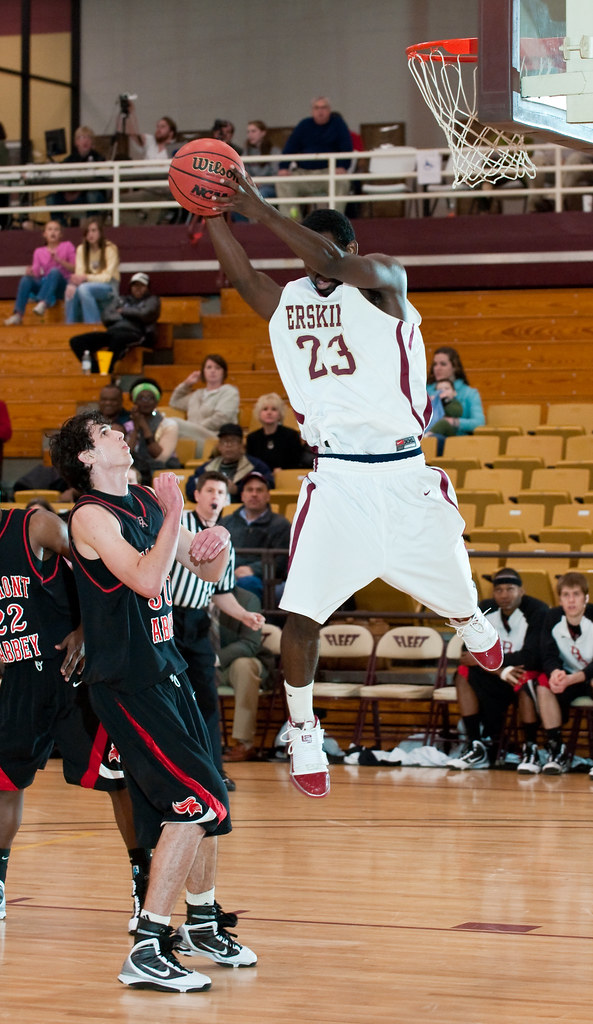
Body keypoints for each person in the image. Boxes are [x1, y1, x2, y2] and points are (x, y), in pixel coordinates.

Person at [205, 169, 502, 799]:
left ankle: (470, 617)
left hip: (402, 471)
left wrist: (256, 208)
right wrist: (211, 216)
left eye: (317, 255)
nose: (308, 269)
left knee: (452, 589)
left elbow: (330, 259)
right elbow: (245, 280)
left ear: (344, 251)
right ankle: (305, 727)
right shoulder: (293, 299)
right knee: (303, 611)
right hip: (336, 476)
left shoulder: (383, 281)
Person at [49, 412, 256, 992]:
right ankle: (148, 946)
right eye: (106, 434)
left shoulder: (144, 497)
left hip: (168, 670)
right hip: (128, 682)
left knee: (210, 800)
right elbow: (144, 577)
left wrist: (212, 544)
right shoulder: (90, 516)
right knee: (194, 802)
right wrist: (172, 518)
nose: (121, 435)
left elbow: (204, 567)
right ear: (88, 458)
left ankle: (204, 922)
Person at [0, 463, 147, 928]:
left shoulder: (34, 523)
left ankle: (145, 887)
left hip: (71, 672)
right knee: (4, 778)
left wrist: (86, 627)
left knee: (114, 779)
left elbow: (93, 563)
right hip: (20, 678)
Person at [171, 471, 265, 790]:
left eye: (221, 491)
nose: (215, 495)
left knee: (207, 697)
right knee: (163, 695)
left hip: (196, 622)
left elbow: (221, 593)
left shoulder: (226, 543)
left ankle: (214, 769)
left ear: (225, 500)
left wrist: (244, 616)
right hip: (164, 617)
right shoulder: (178, 523)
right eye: (209, 489)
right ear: (197, 495)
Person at [445, 568, 549, 773]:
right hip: (495, 675)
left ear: (521, 590)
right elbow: (468, 655)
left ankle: (530, 748)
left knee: (524, 677)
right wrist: (501, 671)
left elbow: (531, 656)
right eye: (499, 590)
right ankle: (476, 745)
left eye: (510, 589)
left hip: (523, 674)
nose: (504, 595)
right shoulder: (484, 609)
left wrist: (496, 664)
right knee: (463, 674)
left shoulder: (537, 610)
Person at [538, 571, 593, 776]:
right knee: (543, 685)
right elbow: (547, 653)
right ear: (559, 598)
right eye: (566, 594)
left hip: (586, 676)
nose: (571, 600)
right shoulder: (552, 617)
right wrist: (554, 673)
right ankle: (556, 751)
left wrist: (576, 677)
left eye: (576, 594)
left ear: (585, 597)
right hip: (568, 677)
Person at [218, 585, 272, 763]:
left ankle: (244, 743)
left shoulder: (247, 599)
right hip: (200, 664)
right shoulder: (188, 597)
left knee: (244, 666)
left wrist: (214, 658)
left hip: (233, 663)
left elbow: (250, 643)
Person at [274, 97, 353, 216]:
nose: (320, 111)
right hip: (304, 173)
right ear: (312, 111)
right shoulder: (304, 125)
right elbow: (290, 147)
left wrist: (342, 166)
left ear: (329, 110)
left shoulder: (338, 124)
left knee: (342, 181)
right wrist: (283, 167)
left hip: (328, 173)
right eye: (317, 108)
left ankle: (336, 221)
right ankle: (292, 222)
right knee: (283, 182)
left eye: (323, 107)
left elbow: (347, 148)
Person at [220, 470, 290, 603]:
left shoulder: (281, 524)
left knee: (247, 584)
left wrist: (253, 569)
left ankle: (251, 623)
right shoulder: (226, 522)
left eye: (259, 490)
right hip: (227, 574)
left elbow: (281, 561)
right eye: (249, 490)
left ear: (268, 496)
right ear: (242, 496)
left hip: (262, 579)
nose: (254, 494)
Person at [69, 271, 160, 371]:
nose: (137, 288)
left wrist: (123, 311)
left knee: (119, 339)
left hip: (136, 333)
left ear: (147, 288)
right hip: (113, 331)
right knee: (76, 341)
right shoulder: (121, 300)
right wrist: (131, 314)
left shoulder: (152, 300)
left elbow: (145, 314)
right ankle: (95, 368)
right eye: (135, 285)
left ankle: (107, 368)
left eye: (141, 285)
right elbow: (106, 316)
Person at [116, 104, 180, 224]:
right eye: (157, 126)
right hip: (147, 189)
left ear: (171, 132)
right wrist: (131, 112)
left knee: (153, 218)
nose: (158, 129)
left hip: (165, 192)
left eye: (163, 127)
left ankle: (143, 231)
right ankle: (138, 228)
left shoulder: (176, 149)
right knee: (118, 200)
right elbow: (133, 133)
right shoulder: (150, 142)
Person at [4, 220, 76, 325]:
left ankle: (43, 302)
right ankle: (18, 314)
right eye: (50, 229)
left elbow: (74, 268)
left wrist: (59, 260)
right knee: (25, 279)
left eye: (56, 230)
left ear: (60, 234)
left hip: (62, 285)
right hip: (47, 284)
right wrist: (31, 272)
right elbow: (37, 273)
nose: (53, 232)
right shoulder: (39, 251)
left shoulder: (67, 246)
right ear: (44, 234)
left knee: (54, 272)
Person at [169, 353, 240, 456]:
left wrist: (195, 427)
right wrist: (187, 384)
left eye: (217, 368)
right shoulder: (197, 394)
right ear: (203, 372)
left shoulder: (229, 391)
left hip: (214, 438)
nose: (213, 371)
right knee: (166, 424)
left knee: (173, 423)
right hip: (191, 437)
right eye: (209, 367)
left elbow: (222, 418)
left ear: (223, 372)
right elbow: (174, 402)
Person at [185, 423, 273, 502]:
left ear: (241, 445)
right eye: (224, 442)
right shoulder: (207, 467)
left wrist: (237, 490)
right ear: (219, 446)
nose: (228, 445)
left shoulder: (256, 466)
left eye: (233, 441)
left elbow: (269, 484)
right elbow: (190, 488)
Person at [46, 125, 108, 225]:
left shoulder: (99, 158)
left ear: (92, 141)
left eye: (88, 137)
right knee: (51, 198)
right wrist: (67, 193)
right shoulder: (69, 160)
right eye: (81, 137)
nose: (85, 141)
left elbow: (98, 181)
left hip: (88, 196)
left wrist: (77, 192)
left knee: (93, 195)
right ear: (76, 142)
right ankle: (62, 228)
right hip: (71, 195)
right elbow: (62, 177)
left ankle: (92, 227)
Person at [64, 217, 120, 325]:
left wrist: (86, 278)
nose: (90, 234)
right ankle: (70, 327)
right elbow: (79, 273)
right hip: (87, 285)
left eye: (94, 230)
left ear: (100, 232)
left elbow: (107, 277)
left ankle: (93, 325)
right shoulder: (81, 249)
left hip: (109, 288)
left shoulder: (110, 248)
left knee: (84, 289)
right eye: (87, 231)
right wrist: (72, 284)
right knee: (70, 290)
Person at [125, 376, 180, 485]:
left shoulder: (169, 425)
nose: (146, 402)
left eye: (150, 398)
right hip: (137, 471)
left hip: (162, 470)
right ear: (134, 400)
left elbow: (160, 458)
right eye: (141, 398)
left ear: (157, 400)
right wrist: (136, 428)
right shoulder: (127, 426)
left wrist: (143, 425)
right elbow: (126, 455)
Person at [425, 347, 486, 437]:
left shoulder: (470, 393)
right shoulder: (425, 391)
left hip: (456, 442)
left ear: (455, 367)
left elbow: (479, 422)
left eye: (443, 364)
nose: (437, 368)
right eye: (435, 364)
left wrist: (453, 422)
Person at [245, 392, 309, 469]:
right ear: (259, 413)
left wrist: (282, 471)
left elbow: (296, 462)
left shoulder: (291, 435)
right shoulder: (252, 438)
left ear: (280, 414)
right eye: (265, 409)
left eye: (274, 409)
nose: (269, 412)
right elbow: (251, 465)